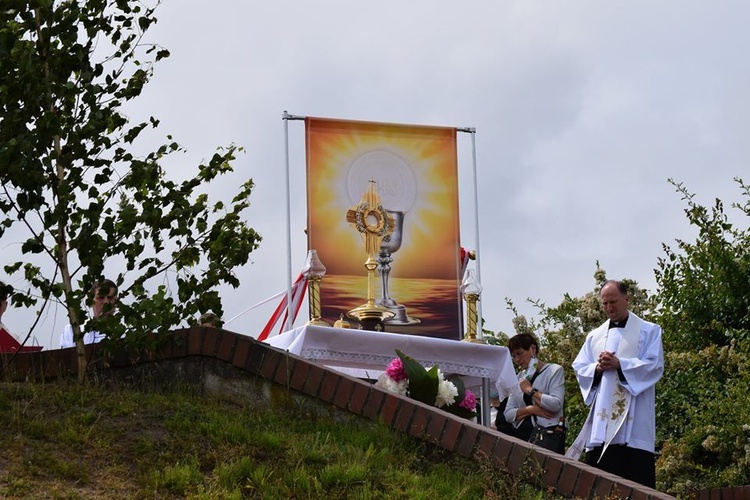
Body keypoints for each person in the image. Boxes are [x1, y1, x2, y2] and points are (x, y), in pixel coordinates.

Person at [567, 280, 664, 488]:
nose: (609, 308)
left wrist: (621, 364)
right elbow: (580, 366)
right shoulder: (594, 337)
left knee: (636, 485)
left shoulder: (649, 331)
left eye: (613, 302)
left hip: (634, 424)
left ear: (627, 300)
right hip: (602, 425)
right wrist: (597, 368)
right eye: (604, 304)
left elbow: (654, 365)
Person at [499, 333, 566, 453]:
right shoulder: (519, 378)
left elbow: (556, 404)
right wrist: (531, 410)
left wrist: (530, 391)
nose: (517, 359)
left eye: (519, 353)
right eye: (513, 356)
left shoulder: (554, 370)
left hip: (548, 436)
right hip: (524, 437)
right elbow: (508, 414)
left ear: (532, 349)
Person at [60, 279, 118, 348]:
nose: (106, 302)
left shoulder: (126, 333)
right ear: (91, 301)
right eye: (101, 298)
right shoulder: (73, 331)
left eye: (110, 298)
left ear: (116, 301)